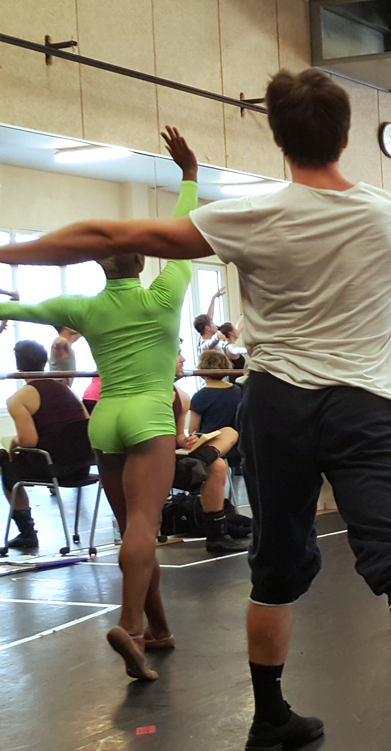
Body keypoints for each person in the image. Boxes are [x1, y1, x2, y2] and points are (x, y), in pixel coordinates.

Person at [0, 72, 391, 751]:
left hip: (278, 404)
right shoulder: (387, 212)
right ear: (345, 134)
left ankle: (268, 720)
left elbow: (112, 238)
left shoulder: (248, 216)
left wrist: (14, 251)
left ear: (278, 138)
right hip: (363, 406)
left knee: (275, 565)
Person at [0, 126, 198, 681]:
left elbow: (18, 311)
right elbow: (184, 230)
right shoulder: (166, 292)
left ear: (99, 266)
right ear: (144, 260)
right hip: (149, 416)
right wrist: (189, 176)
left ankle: (158, 630)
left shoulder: (83, 308)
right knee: (143, 528)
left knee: (132, 529)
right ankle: (131, 628)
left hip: (104, 418)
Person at [4, 340, 90, 551]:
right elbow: (87, 424)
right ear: (44, 362)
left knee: (5, 461)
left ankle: (27, 533)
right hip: (82, 467)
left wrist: (12, 443)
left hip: (52, 469)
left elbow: (28, 441)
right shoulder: (67, 391)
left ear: (18, 366)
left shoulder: (18, 399)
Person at [181, 351, 249, 554]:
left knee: (223, 442)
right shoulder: (237, 391)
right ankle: (204, 460)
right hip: (238, 447)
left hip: (213, 443)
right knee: (230, 435)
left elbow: (193, 429)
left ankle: (203, 459)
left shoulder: (200, 396)